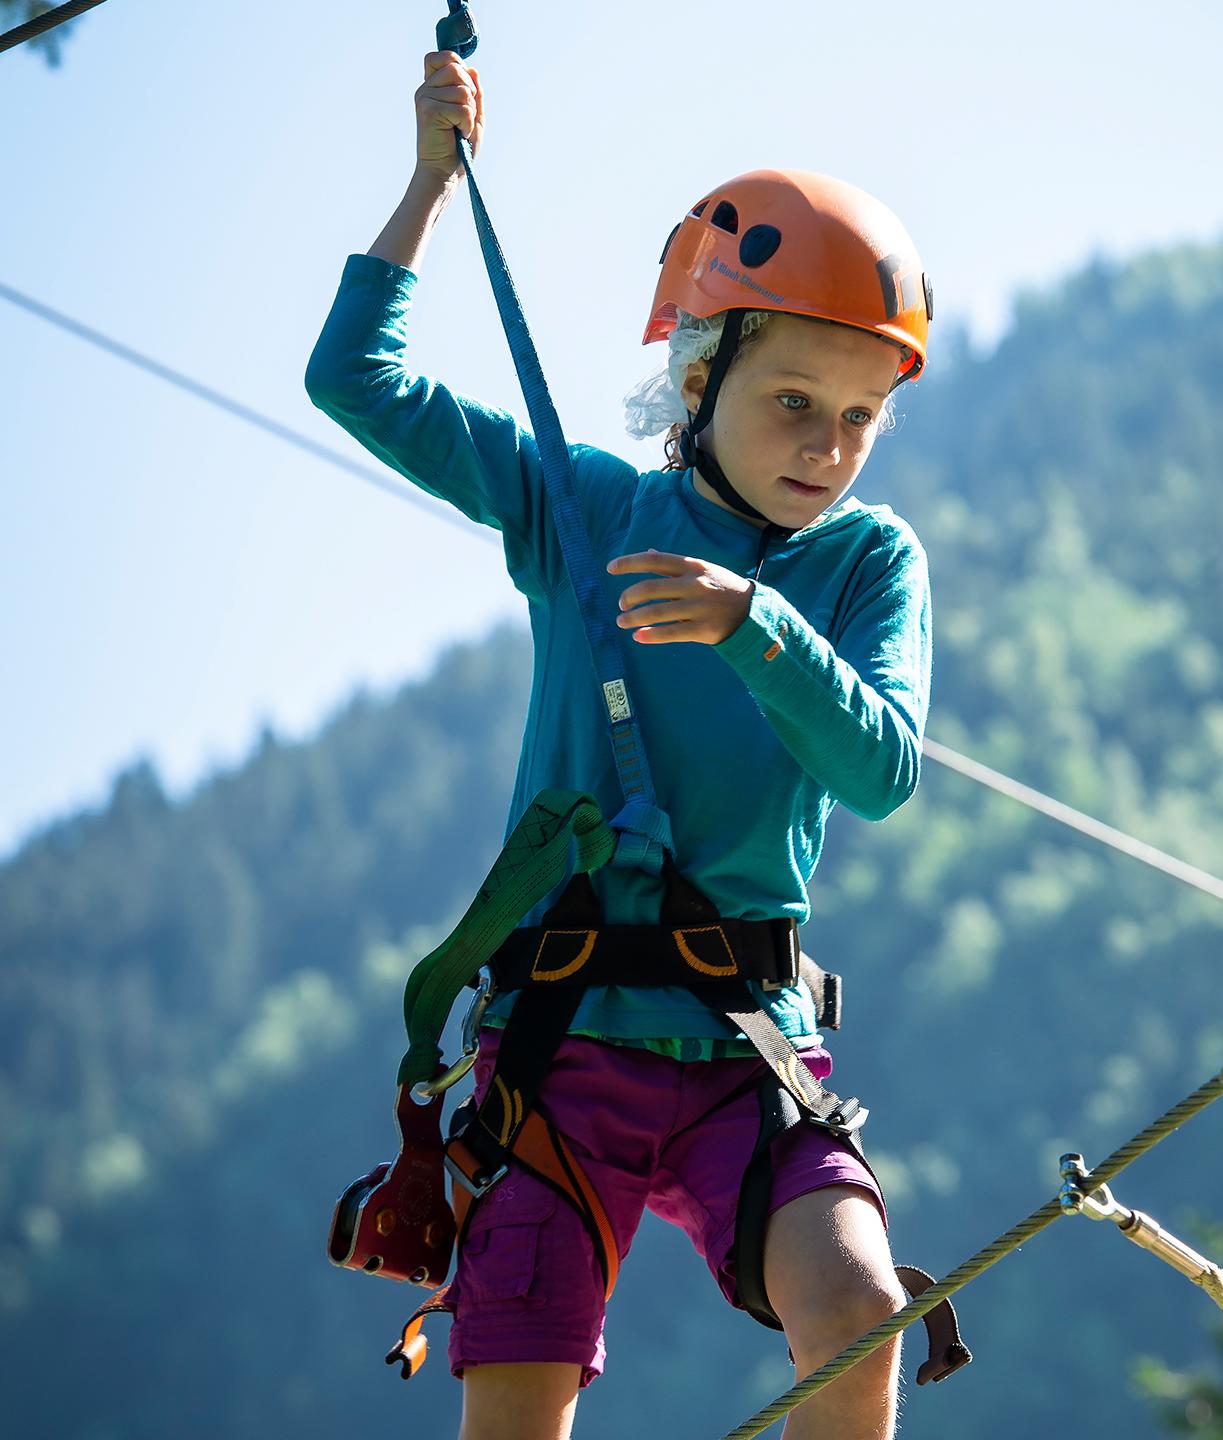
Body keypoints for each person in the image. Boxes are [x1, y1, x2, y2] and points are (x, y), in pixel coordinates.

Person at [306, 48, 934, 1440]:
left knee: (859, 1312)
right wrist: (426, 182)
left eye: (860, 418)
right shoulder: (581, 506)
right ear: (699, 375)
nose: (829, 446)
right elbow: (355, 378)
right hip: (560, 1044)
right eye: (793, 402)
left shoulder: (864, 567)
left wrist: (754, 626)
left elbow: (881, 771)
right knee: (517, 1409)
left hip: (738, 1049)